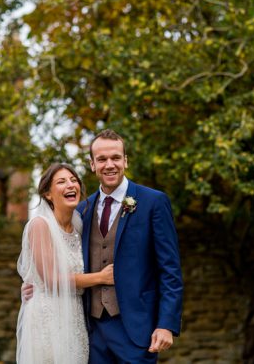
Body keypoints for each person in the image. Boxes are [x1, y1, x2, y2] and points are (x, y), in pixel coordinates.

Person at [79, 129, 183, 363]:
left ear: (125, 160)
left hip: (137, 332)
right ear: (92, 164)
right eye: (102, 159)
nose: (110, 165)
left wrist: (166, 324)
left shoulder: (153, 202)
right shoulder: (82, 210)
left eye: (116, 157)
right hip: (92, 332)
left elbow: (170, 270)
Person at [16, 163, 114, 364]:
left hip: (75, 316)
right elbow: (51, 280)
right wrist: (101, 277)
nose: (70, 185)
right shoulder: (40, 225)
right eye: (61, 182)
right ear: (47, 194)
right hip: (48, 317)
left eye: (73, 180)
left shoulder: (80, 225)